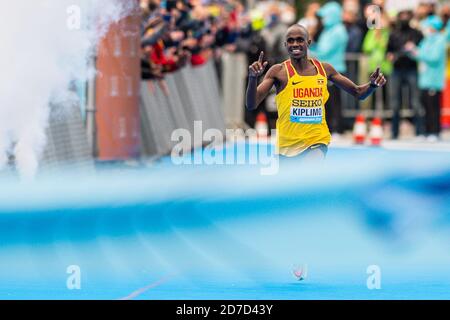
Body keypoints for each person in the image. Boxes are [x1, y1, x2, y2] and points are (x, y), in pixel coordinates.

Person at [245, 24, 387, 159]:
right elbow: (251, 104)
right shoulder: (278, 72)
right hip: (287, 146)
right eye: (290, 40)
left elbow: (358, 92)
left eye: (300, 40)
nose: (295, 44)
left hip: (317, 141)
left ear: (308, 42)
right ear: (285, 45)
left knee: (309, 171)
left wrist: (372, 85)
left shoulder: (324, 69)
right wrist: (252, 78)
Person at [308, 2, 349, 137]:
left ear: (332, 15)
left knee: (334, 101)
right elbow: (320, 48)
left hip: (335, 69)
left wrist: (309, 50)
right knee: (325, 100)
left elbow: (324, 51)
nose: (323, 18)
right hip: (325, 69)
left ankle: (337, 128)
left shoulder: (338, 30)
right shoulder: (328, 30)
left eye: (325, 15)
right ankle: (329, 127)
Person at [405, 15, 447, 142]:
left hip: (434, 80)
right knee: (425, 107)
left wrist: (417, 52)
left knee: (434, 108)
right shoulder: (426, 40)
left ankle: (435, 131)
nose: (425, 29)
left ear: (433, 27)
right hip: (424, 80)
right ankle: (426, 131)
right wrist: (411, 51)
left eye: (427, 27)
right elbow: (420, 55)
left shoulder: (440, 40)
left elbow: (433, 58)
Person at [386, 10, 423, 140]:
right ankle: (394, 133)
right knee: (395, 103)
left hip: (412, 69)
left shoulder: (416, 33)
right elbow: (388, 51)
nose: (404, 19)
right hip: (397, 70)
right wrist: (391, 56)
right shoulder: (393, 34)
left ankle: (419, 132)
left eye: (407, 16)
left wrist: (413, 49)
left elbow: (422, 49)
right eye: (402, 16)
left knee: (415, 102)